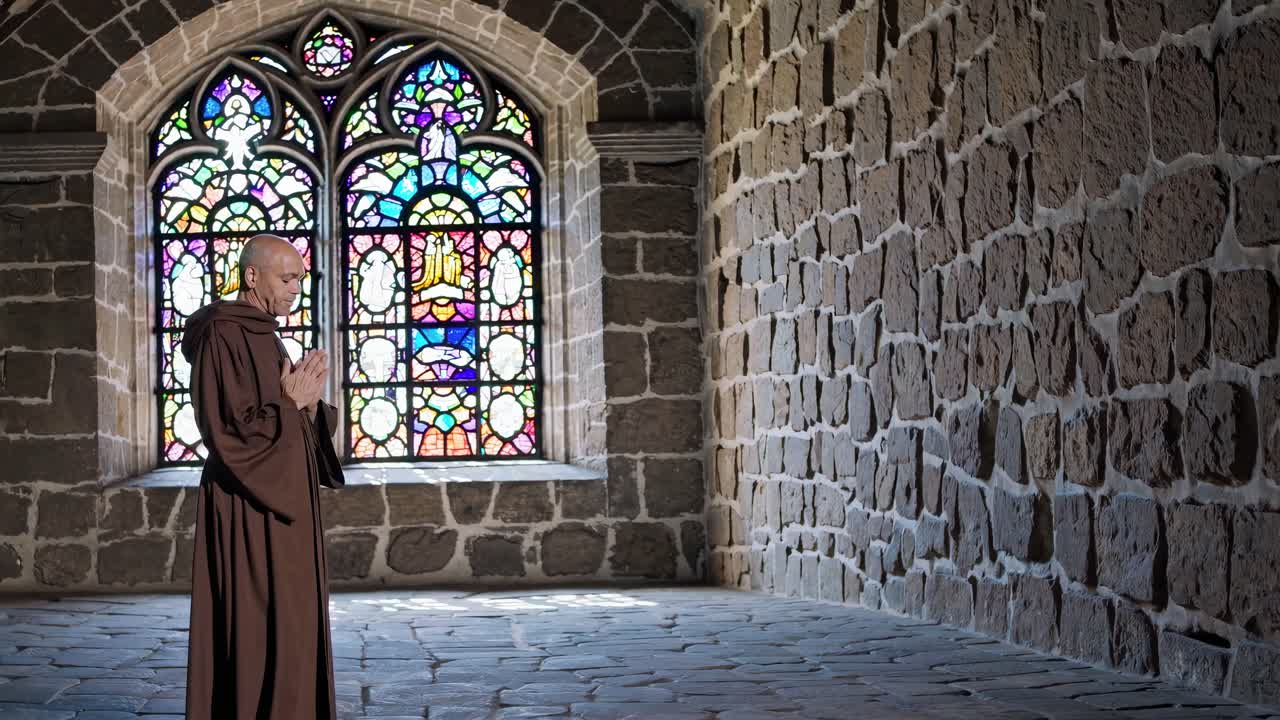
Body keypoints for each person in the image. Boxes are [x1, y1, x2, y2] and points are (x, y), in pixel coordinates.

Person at [181, 233, 345, 719]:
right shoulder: (222, 333)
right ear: (252, 276)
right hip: (248, 504)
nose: (296, 287)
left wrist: (311, 408)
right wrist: (291, 404)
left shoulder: (264, 333)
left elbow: (282, 416)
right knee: (259, 623)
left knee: (293, 622)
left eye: (300, 278)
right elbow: (228, 430)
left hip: (284, 502)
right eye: (287, 277)